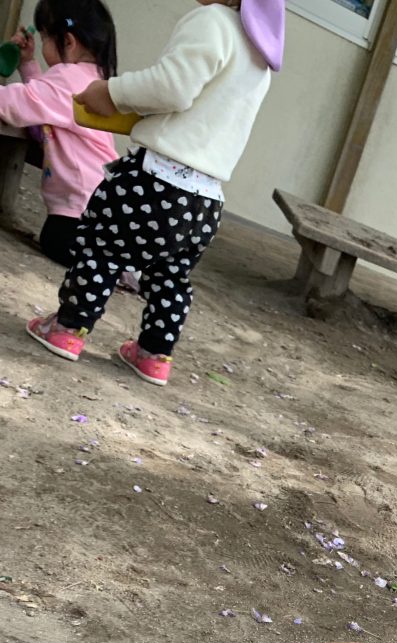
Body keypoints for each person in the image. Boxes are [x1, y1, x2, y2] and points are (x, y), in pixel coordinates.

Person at [25, 0, 284, 387]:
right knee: (171, 277)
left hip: (155, 179)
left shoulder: (212, 21)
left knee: (101, 248)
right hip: (206, 198)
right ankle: (154, 355)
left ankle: (67, 329)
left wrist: (111, 92)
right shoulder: (259, 52)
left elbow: (171, 88)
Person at [0, 0, 118, 267]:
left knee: (56, 240)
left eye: (44, 38)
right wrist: (28, 65)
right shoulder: (92, 77)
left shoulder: (68, 79)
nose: (42, 46)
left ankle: (111, 265)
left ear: (68, 41)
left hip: (82, 205)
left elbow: (15, 104)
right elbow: (45, 102)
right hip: (99, 202)